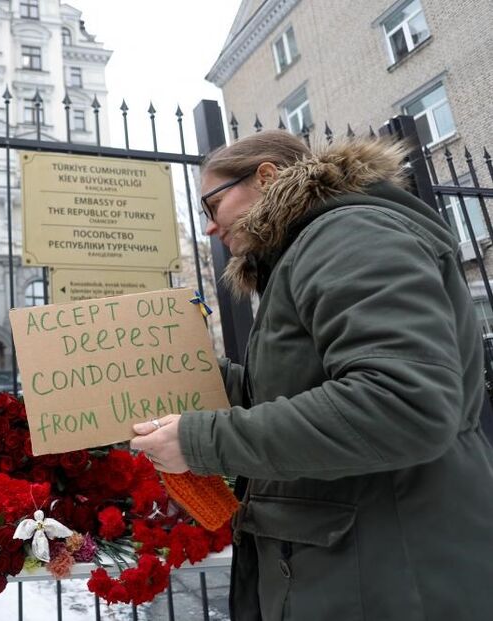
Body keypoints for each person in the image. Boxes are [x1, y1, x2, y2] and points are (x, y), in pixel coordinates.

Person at [130, 131, 493, 620]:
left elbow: (403, 404)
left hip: (394, 574)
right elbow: (302, 393)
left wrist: (201, 440)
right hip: (355, 565)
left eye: (210, 206)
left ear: (265, 176)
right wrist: (189, 378)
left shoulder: (349, 234)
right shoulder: (305, 253)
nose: (210, 228)